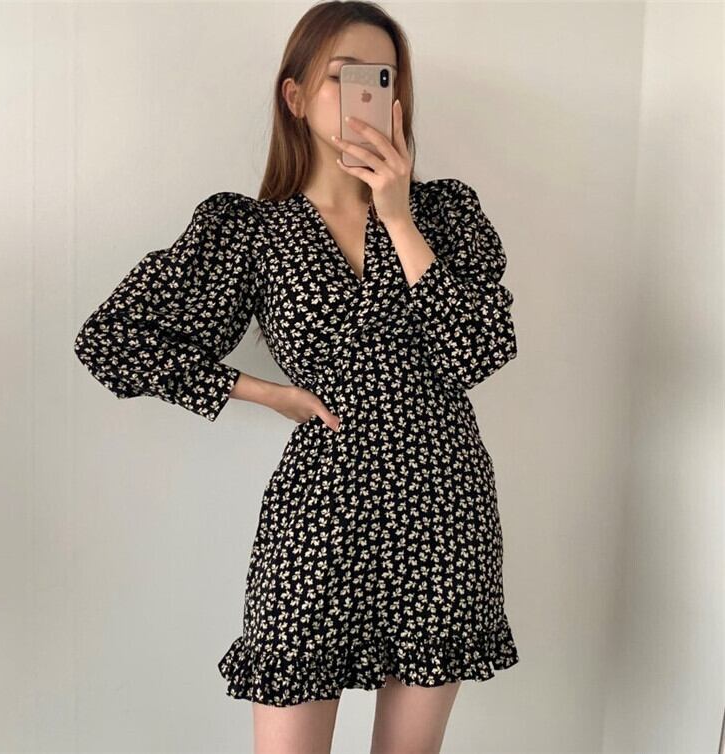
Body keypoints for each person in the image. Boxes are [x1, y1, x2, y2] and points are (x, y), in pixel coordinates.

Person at [73, 2, 519, 752]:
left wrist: (398, 216)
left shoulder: (445, 214)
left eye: (383, 78)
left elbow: (478, 351)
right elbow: (112, 339)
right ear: (295, 95)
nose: (364, 94)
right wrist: (265, 394)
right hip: (319, 512)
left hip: (443, 505)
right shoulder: (249, 231)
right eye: (343, 76)